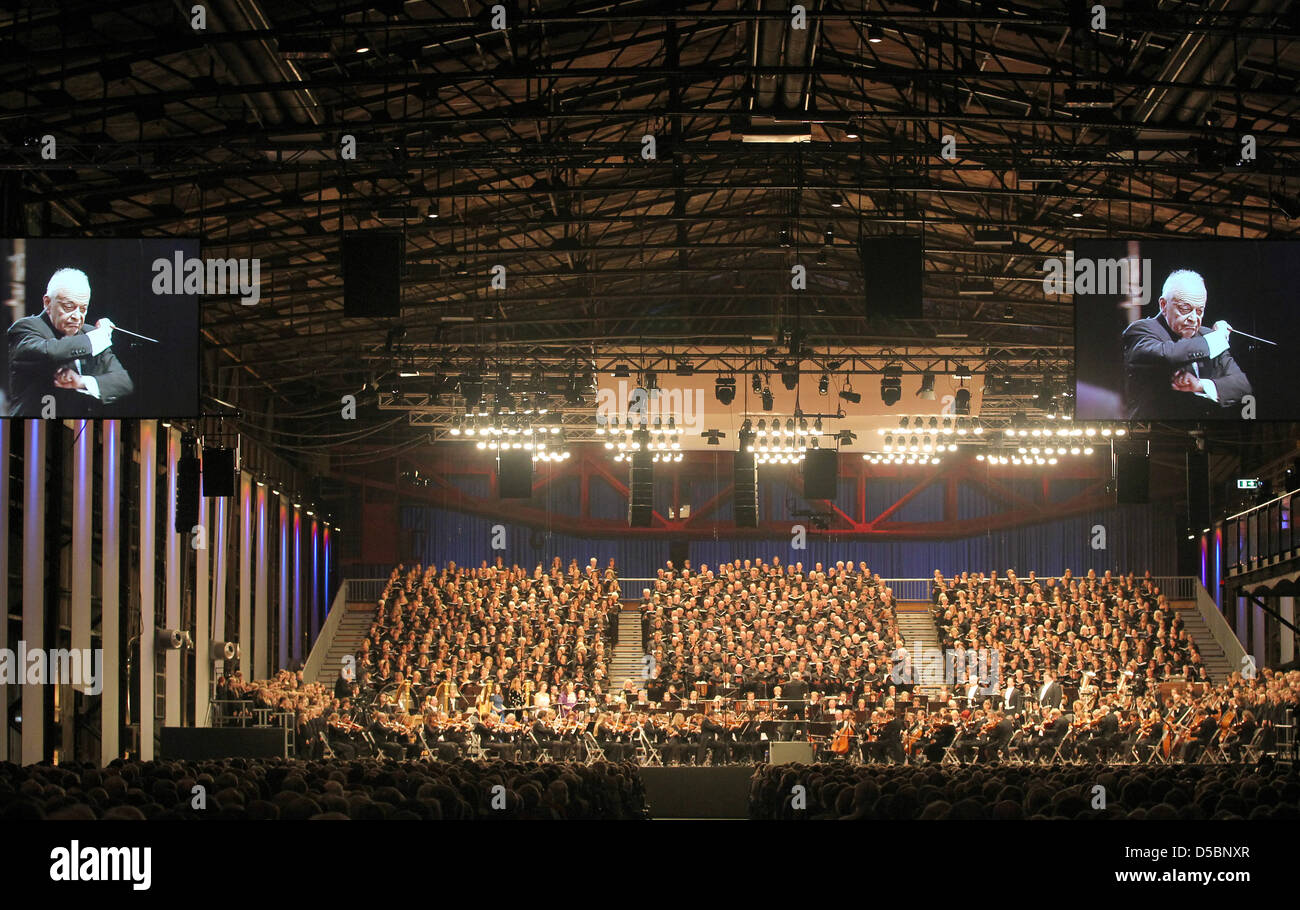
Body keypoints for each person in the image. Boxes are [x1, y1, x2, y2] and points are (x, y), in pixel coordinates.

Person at [1121, 269, 1251, 419]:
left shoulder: (1209, 336)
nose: (1194, 318)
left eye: (1200, 311)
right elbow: (1167, 355)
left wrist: (1200, 385)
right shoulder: (1141, 330)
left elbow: (1242, 385)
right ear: (1163, 305)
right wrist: (1216, 340)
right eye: (1185, 309)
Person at [8, 267, 133, 416]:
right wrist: (97, 338)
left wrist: (81, 382)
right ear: (47, 302)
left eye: (83, 309)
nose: (77, 316)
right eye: (69, 307)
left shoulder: (92, 334)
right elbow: (49, 352)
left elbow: (123, 382)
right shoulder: (25, 328)